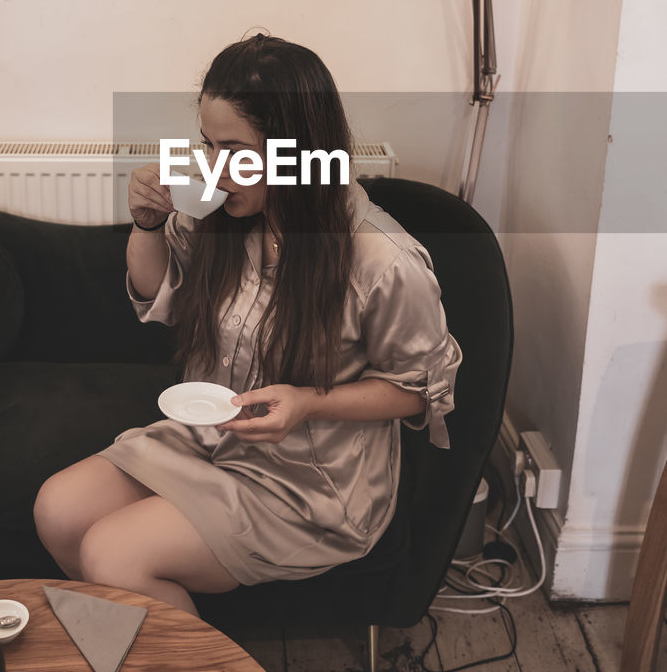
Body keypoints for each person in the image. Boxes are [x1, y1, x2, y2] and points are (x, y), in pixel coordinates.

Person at [33, 35, 461, 615]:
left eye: (233, 149)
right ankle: (140, 659)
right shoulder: (222, 214)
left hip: (308, 483)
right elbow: (160, 298)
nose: (213, 167)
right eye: (208, 145)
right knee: (58, 510)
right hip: (211, 441)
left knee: (114, 554)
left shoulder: (381, 259)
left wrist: (308, 402)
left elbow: (416, 393)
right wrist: (147, 224)